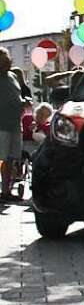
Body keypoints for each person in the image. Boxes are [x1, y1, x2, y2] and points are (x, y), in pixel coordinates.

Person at [0, 48, 29, 200]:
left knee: (11, 158)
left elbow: (15, 97)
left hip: (15, 124)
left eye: (7, 59)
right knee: (2, 158)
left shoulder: (12, 76)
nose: (6, 62)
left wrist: (23, 103)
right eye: (3, 60)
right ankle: (4, 190)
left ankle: (6, 191)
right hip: (2, 124)